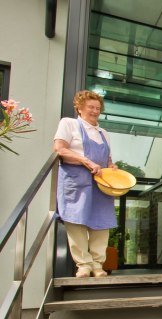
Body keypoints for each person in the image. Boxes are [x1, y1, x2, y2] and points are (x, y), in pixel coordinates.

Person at [53, 90, 118, 278]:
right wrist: (87, 161)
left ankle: (98, 265)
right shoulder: (69, 124)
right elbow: (59, 149)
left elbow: (108, 160)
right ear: (79, 108)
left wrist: (112, 166)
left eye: (98, 108)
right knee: (76, 221)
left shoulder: (103, 133)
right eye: (90, 107)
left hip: (101, 182)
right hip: (77, 180)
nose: (95, 111)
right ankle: (84, 265)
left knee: (101, 223)